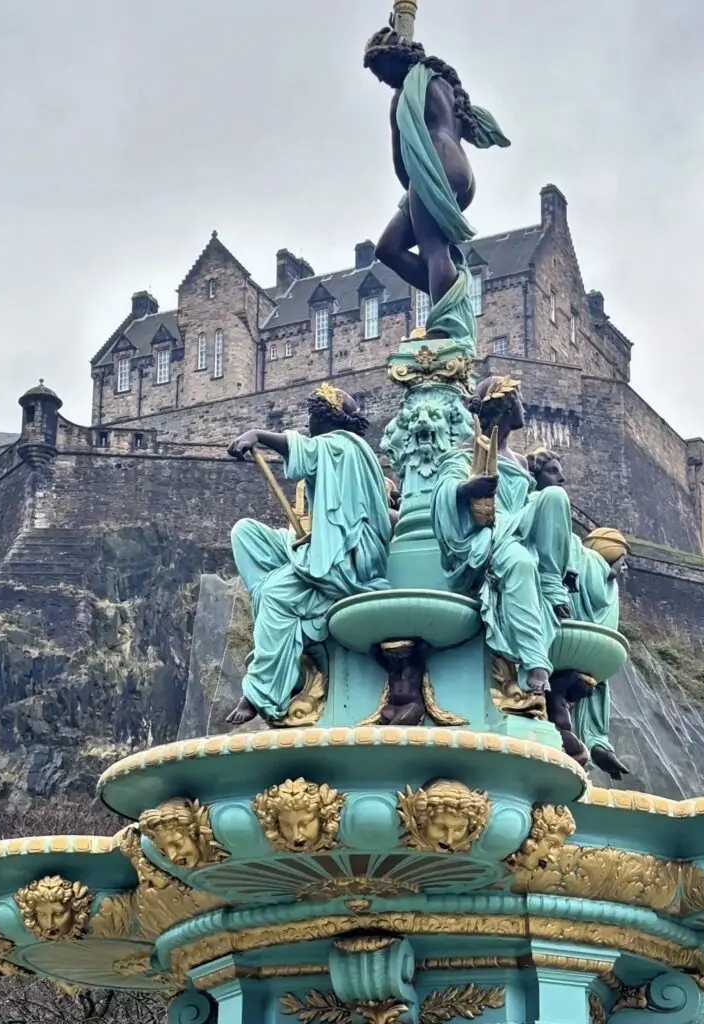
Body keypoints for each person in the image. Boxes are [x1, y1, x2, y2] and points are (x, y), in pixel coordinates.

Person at [225, 384, 392, 725]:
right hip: (324, 545)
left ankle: (262, 692)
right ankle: (280, 612)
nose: (307, 424)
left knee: (275, 594)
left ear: (324, 418)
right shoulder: (345, 452)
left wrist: (257, 434)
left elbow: (308, 450)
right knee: (247, 534)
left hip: (346, 563)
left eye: (311, 418)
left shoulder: (346, 446)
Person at [364, 26, 509, 348]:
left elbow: (400, 155)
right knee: (388, 248)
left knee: (432, 248)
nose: (379, 79)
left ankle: (443, 327)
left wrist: (411, 187)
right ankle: (451, 300)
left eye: (379, 70)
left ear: (395, 60)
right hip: (457, 168)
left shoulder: (406, 92)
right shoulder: (442, 83)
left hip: (434, 166)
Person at [431, 377, 573, 696]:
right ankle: (535, 661)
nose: (524, 406)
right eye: (519, 400)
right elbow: (441, 494)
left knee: (554, 497)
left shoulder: (521, 461)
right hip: (489, 535)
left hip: (517, 526)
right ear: (506, 408)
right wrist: (468, 488)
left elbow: (541, 515)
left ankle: (551, 582)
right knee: (520, 562)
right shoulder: (468, 452)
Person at [566, 527, 632, 780]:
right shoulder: (592, 565)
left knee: (593, 684)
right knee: (596, 684)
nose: (623, 569)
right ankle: (596, 740)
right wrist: (610, 570)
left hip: (575, 640)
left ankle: (595, 743)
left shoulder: (598, 575)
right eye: (623, 560)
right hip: (588, 643)